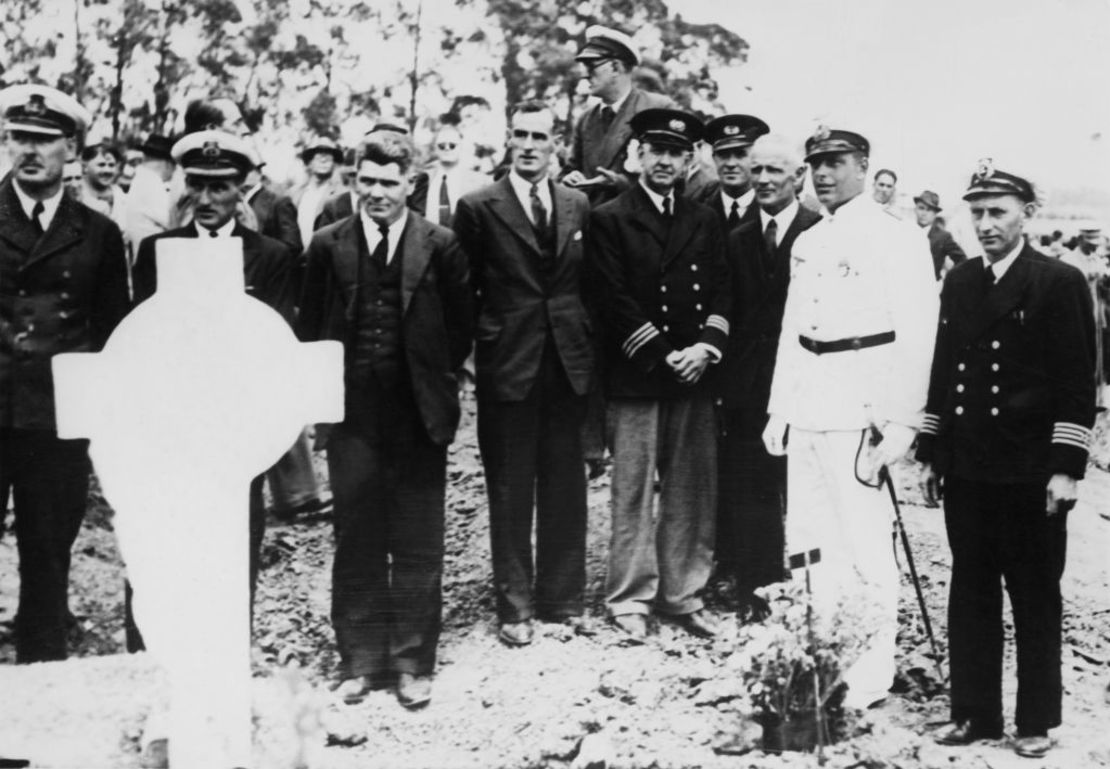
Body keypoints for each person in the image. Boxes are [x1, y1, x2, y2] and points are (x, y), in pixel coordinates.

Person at [917, 164, 1096, 759]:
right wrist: (932, 451)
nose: (986, 224)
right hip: (969, 465)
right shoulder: (962, 280)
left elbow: (1077, 382)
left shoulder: (1059, 281)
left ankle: (1036, 719)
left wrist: (1067, 465)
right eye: (978, 212)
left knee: (1034, 593)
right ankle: (974, 713)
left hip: (1028, 468)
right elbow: (945, 369)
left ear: (1027, 214)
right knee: (970, 590)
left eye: (998, 211)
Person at [762, 127, 937, 709]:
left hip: (862, 408)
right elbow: (795, 328)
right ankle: (820, 660)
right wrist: (780, 406)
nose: (823, 174)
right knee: (809, 541)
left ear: (863, 165)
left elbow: (917, 334)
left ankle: (867, 674)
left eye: (836, 162)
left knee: (865, 545)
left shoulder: (896, 236)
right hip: (810, 402)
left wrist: (903, 421)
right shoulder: (810, 238)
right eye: (815, 164)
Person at [298, 131, 473, 709]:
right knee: (357, 535)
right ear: (354, 181)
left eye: (388, 182)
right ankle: (360, 660)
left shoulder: (441, 243)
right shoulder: (327, 244)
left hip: (418, 413)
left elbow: (459, 328)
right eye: (365, 181)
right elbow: (312, 325)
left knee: (418, 537)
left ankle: (411, 662)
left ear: (410, 184)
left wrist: (427, 377)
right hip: (351, 416)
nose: (376, 192)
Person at [131, 130, 298, 613]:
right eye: (196, 185)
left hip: (238, 431)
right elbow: (140, 344)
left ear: (241, 189)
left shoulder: (270, 258)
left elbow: (276, 345)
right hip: (173, 429)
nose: (205, 199)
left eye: (220, 187)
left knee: (235, 545)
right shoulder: (157, 253)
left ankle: (229, 661)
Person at [453, 101, 593, 646]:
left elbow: (585, 285)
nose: (530, 145)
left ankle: (563, 599)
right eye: (520, 136)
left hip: (566, 362)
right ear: (509, 142)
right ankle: (515, 607)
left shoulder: (578, 203)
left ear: (556, 143)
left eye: (540, 136)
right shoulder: (478, 206)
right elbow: (463, 291)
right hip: (507, 362)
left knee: (565, 483)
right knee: (510, 488)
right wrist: (473, 356)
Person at [588, 108, 730, 641]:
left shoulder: (704, 217)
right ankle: (629, 595)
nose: (666, 160)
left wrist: (707, 347)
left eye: (677, 151)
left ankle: (682, 593)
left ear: (690, 159)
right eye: (657, 150)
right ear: (638, 155)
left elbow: (722, 287)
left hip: (695, 373)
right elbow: (610, 297)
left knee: (691, 489)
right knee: (632, 489)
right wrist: (663, 351)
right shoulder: (610, 216)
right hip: (640, 371)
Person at [0, 84, 130, 663]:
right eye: (18, 138)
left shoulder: (98, 233)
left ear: (70, 147)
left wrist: (102, 419)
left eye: (43, 140)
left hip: (58, 419)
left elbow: (109, 333)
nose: (29, 151)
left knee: (48, 555)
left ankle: (40, 682)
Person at [716, 134, 820, 619]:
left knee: (804, 494)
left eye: (773, 170)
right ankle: (758, 592)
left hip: (806, 386)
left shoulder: (819, 232)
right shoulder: (734, 238)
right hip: (747, 389)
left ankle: (810, 592)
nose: (761, 180)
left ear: (798, 176)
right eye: (755, 170)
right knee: (752, 489)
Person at [561, 25, 675, 205]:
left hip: (638, 225)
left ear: (615, 67)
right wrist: (569, 178)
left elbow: (674, 175)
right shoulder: (585, 120)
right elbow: (569, 169)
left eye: (592, 67)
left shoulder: (657, 109)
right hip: (592, 226)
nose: (585, 75)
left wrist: (618, 182)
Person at [688, 114, 769, 231]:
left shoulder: (773, 203)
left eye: (740, 154)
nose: (731, 164)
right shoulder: (696, 202)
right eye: (723, 154)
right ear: (714, 158)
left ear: (757, 158)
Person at [422, 114, 488, 226]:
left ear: (461, 146)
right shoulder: (423, 179)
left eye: (452, 145)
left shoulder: (480, 183)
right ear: (435, 148)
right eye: (442, 146)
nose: (447, 148)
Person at [122, 133, 178, 262]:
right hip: (153, 257)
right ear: (168, 164)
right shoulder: (150, 183)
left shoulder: (142, 180)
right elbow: (173, 223)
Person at [292, 136, 346, 249]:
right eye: (319, 155)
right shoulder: (294, 194)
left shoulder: (341, 195)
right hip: (295, 259)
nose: (323, 159)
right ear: (309, 162)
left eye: (328, 155)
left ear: (334, 163)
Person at [913, 190, 966, 280]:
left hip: (931, 285)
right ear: (915, 209)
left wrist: (950, 280)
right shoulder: (907, 232)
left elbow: (962, 261)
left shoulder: (943, 236)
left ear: (935, 214)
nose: (924, 213)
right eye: (921, 208)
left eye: (929, 210)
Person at [79, 142, 127, 227]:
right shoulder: (77, 192)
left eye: (111, 165)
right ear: (84, 167)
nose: (107, 170)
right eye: (101, 165)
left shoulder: (119, 195)